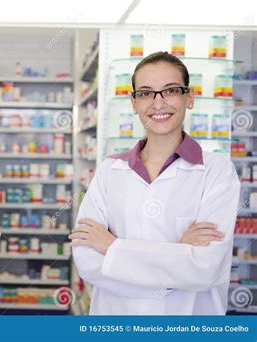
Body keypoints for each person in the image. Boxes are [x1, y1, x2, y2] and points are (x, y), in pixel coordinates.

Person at [71, 51, 240, 315]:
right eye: (146, 93)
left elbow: (205, 268)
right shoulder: (109, 171)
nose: (158, 103)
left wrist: (111, 247)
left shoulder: (217, 171)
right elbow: (87, 261)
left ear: (190, 97)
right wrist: (180, 254)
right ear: (134, 103)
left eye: (171, 90)